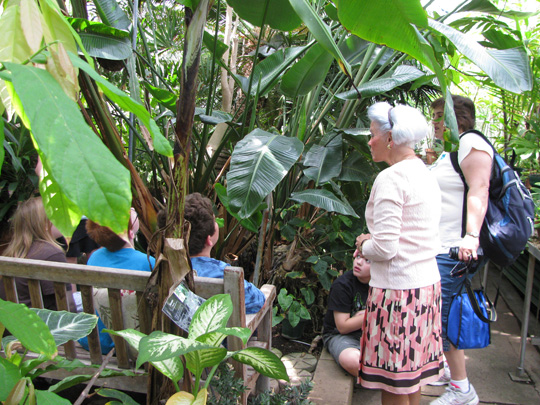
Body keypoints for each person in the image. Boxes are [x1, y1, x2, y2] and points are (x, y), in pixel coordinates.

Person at [355, 102, 443, 404]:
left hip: (398, 296)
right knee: (411, 378)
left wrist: (363, 244)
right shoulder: (425, 172)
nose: (369, 141)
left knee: (392, 385)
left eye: (373, 134)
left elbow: (385, 247)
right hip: (425, 289)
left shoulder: (391, 178)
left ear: (390, 139)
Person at [428, 95, 493, 405]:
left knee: (444, 316)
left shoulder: (471, 142)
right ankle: (447, 370)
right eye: (434, 115)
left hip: (454, 249)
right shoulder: (452, 151)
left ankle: (462, 390)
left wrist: (470, 236)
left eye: (441, 115)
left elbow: (480, 188)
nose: (436, 121)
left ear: (461, 118)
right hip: (441, 246)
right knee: (443, 313)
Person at [81, 207, 155, 355]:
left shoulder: (94, 258)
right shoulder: (148, 262)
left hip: (98, 340)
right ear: (130, 233)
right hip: (132, 345)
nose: (132, 208)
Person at [184, 193, 265, 314]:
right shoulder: (221, 272)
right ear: (209, 239)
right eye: (214, 220)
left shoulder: (162, 267)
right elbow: (258, 301)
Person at [0, 196, 76, 312]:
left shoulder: (13, 252)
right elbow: (68, 306)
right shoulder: (51, 254)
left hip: (16, 325)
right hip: (46, 326)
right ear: (45, 224)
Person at [322, 255, 370, 377]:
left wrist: (360, 318)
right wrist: (370, 314)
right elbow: (343, 327)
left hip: (373, 334)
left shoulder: (384, 284)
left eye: (367, 260)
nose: (358, 262)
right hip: (342, 336)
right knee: (353, 361)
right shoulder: (343, 285)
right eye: (358, 256)